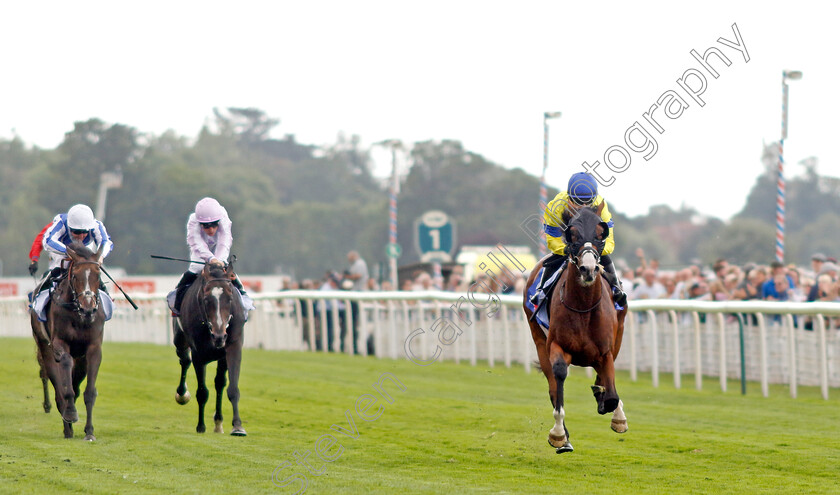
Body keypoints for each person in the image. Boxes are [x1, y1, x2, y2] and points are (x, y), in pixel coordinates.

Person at [538, 172, 626, 306]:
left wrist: (598, 250)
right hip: (567, 241)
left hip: (591, 244)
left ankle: (617, 289)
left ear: (594, 198)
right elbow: (552, 240)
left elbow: (609, 240)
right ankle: (541, 292)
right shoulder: (555, 207)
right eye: (579, 202)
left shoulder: (601, 205)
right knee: (555, 258)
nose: (584, 206)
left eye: (588, 202)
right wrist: (566, 249)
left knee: (606, 257)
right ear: (570, 198)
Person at [171, 197, 245, 316]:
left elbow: (224, 242)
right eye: (206, 226)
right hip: (199, 251)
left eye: (214, 225)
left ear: (218, 222)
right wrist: (211, 259)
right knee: (195, 268)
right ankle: (177, 304)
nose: (210, 229)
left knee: (229, 273)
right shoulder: (193, 221)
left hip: (219, 249)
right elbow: (197, 243)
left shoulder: (223, 217)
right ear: (200, 224)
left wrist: (219, 260)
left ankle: (243, 300)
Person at [41, 204, 114, 289]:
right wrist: (69, 252)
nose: (81, 236)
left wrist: (100, 256)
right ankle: (41, 295)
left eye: (85, 232)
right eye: (77, 231)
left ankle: (105, 295)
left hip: (86, 251)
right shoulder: (61, 222)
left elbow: (106, 242)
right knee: (62, 266)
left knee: (92, 270)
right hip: (62, 253)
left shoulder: (96, 225)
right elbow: (48, 241)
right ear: (69, 226)